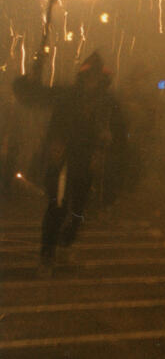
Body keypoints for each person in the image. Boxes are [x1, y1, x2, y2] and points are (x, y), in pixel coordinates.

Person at [13, 51, 127, 274]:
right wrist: (29, 79)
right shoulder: (66, 95)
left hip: (87, 160)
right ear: (83, 77)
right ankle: (46, 255)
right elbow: (32, 97)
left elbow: (120, 132)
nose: (92, 81)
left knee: (80, 210)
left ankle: (65, 245)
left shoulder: (107, 102)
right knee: (57, 207)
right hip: (62, 159)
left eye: (96, 77)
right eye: (89, 76)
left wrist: (109, 139)